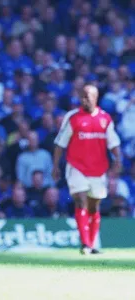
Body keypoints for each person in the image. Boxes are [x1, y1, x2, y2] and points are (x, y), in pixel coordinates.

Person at [52, 85, 121, 254]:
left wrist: (118, 161)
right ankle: (85, 244)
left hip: (98, 169)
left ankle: (92, 243)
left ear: (95, 98)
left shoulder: (105, 118)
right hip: (77, 167)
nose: (84, 99)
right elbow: (60, 144)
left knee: (94, 206)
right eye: (82, 96)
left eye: (88, 96)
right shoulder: (73, 117)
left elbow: (114, 143)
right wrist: (55, 166)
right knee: (80, 200)